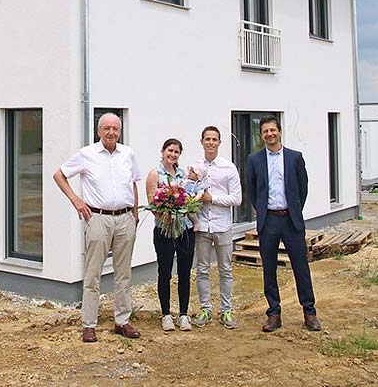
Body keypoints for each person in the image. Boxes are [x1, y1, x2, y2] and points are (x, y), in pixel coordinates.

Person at [53, 113, 142, 343]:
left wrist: (134, 212)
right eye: (107, 128)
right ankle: (89, 325)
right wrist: (76, 200)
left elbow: (132, 182)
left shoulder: (127, 154)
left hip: (124, 219)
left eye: (115, 128)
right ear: (99, 131)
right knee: (93, 274)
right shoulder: (87, 154)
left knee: (123, 273)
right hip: (98, 219)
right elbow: (59, 175)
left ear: (119, 131)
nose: (111, 132)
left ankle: (122, 321)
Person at [244, 116, 321, 333]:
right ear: (261, 135)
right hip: (268, 220)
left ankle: (309, 312)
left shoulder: (295, 158)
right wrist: (263, 212)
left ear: (280, 132)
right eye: (265, 131)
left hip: (290, 220)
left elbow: (302, 188)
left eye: (272, 130)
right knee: (269, 268)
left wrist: (294, 210)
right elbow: (252, 189)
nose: (269, 134)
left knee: (301, 267)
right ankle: (274, 314)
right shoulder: (254, 160)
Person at [191, 126, 242, 329]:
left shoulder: (229, 168)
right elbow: (189, 190)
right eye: (207, 139)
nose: (211, 142)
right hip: (202, 226)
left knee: (225, 270)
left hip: (222, 226)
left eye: (214, 139)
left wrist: (213, 199)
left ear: (220, 143)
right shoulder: (194, 168)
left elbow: (237, 198)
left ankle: (226, 310)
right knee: (202, 270)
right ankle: (205, 309)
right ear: (201, 141)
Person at [145, 138, 195, 332]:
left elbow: (188, 198)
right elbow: (152, 202)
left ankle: (183, 314)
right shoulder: (154, 174)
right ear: (163, 151)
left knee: (184, 272)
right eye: (170, 151)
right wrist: (163, 214)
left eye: (176, 152)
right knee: (164, 272)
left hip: (184, 229)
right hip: (164, 230)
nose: (173, 154)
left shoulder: (183, 175)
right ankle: (166, 314)